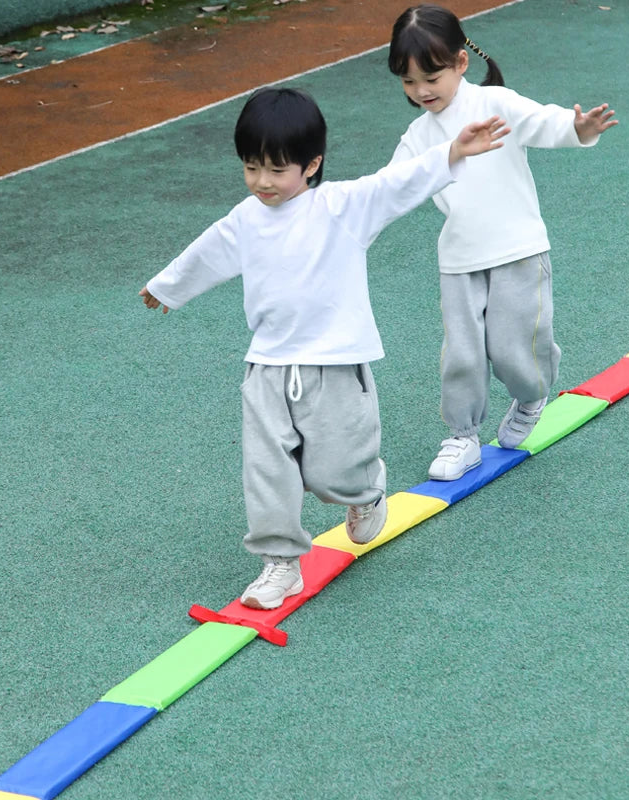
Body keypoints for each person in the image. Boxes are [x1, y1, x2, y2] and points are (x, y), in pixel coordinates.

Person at [140, 87, 507, 609]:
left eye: (275, 169)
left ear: (311, 165)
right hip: (266, 366)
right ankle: (280, 563)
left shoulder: (343, 207)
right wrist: (168, 287)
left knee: (335, 472)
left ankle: (365, 491)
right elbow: (210, 251)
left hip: (334, 366)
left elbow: (395, 185)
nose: (262, 182)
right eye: (250, 167)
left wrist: (451, 153)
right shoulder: (246, 218)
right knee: (266, 469)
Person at [387, 4, 618, 481]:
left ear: (460, 63)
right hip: (458, 258)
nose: (421, 91)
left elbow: (544, 121)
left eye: (431, 76)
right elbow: (393, 186)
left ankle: (533, 390)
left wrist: (578, 128)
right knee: (463, 354)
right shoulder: (417, 135)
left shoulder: (497, 104)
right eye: (409, 81)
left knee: (517, 349)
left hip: (518, 249)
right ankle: (463, 435)